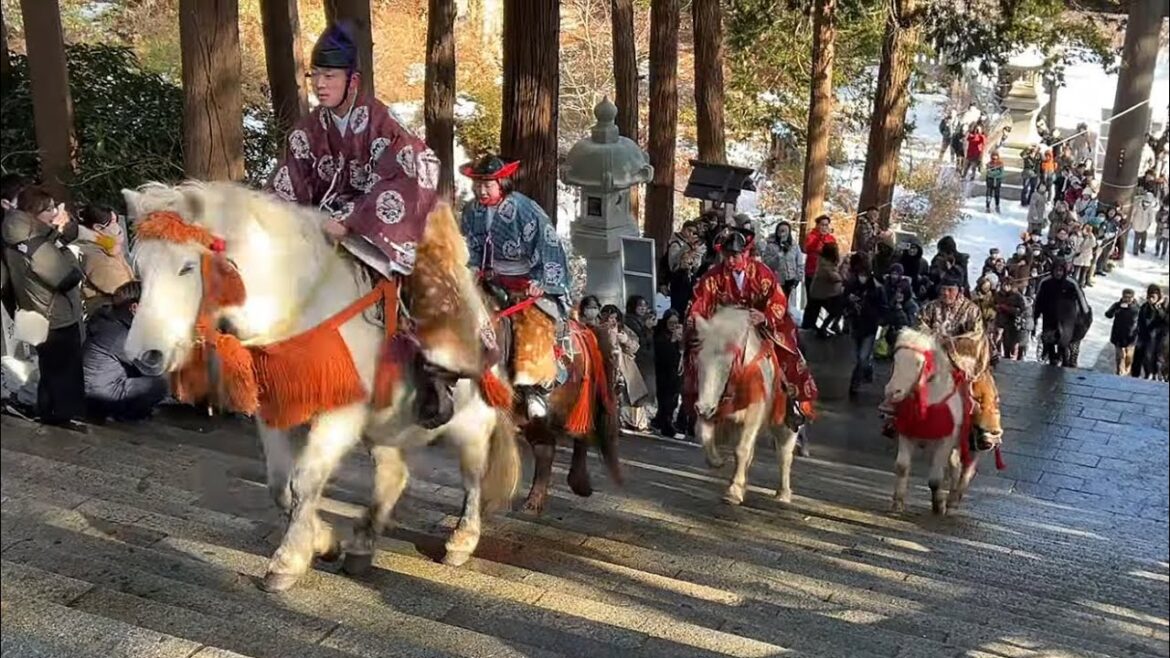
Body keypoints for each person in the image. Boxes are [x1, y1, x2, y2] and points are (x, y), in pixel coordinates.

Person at [268, 22, 472, 427]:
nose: (320, 85)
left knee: (428, 284)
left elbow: (411, 171)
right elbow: (288, 179)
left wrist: (353, 221)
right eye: (315, 76)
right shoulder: (309, 130)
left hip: (387, 222)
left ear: (352, 80)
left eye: (329, 76)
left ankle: (434, 374)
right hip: (323, 221)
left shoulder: (382, 123)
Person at [459, 154, 571, 419]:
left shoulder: (525, 209)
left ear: (503, 182)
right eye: (478, 184)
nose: (481, 189)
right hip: (488, 278)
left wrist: (541, 282)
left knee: (533, 326)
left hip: (525, 282)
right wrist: (472, 266)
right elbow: (470, 246)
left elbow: (548, 244)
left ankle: (534, 389)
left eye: (488, 184)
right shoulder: (470, 210)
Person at [685, 230, 819, 428]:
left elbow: (778, 298)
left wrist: (765, 316)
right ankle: (697, 402)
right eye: (727, 255)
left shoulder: (762, 273)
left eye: (735, 255)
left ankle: (792, 403)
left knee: (786, 351)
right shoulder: (713, 276)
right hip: (724, 326)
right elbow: (700, 300)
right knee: (697, 353)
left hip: (759, 322)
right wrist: (696, 319)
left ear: (746, 253)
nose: (731, 260)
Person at [1, 185, 87, 431]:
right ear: (34, 211)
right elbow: (67, 277)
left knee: (49, 369)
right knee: (64, 371)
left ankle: (48, 413)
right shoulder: (35, 244)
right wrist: (61, 246)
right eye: (49, 209)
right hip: (54, 316)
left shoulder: (13, 239)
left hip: (33, 312)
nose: (54, 213)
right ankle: (63, 419)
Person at [915, 272, 998, 449]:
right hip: (934, 355)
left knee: (984, 387)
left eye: (950, 290)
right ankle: (897, 417)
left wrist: (952, 344)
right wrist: (935, 339)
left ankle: (985, 429)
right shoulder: (930, 308)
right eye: (943, 289)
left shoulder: (971, 310)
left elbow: (975, 335)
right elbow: (919, 325)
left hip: (964, 360)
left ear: (959, 291)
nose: (946, 293)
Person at [82, 281, 169, 420]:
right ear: (134, 308)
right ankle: (125, 414)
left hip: (93, 387)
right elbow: (154, 366)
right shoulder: (119, 335)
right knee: (160, 384)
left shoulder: (110, 317)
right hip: (99, 396)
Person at [75, 204, 135, 316]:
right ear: (98, 227)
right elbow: (122, 289)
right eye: (112, 222)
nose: (117, 226)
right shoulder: (94, 255)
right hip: (109, 314)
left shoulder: (107, 247)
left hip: (116, 310)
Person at [1033, 261, 1091, 368]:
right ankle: (1051, 361)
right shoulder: (1045, 283)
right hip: (1049, 316)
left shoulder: (1071, 283)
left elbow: (1081, 299)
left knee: (1064, 341)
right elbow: (1038, 300)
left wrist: (1086, 315)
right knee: (1049, 339)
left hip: (1067, 317)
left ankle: (1065, 361)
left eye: (1061, 271)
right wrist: (1035, 316)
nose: (1058, 273)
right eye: (1056, 271)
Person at [843, 254, 885, 396]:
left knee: (862, 357)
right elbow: (843, 299)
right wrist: (849, 301)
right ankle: (867, 369)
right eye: (860, 274)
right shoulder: (852, 285)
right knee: (858, 357)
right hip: (855, 325)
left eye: (864, 275)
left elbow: (882, 306)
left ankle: (855, 383)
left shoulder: (876, 288)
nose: (862, 277)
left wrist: (878, 319)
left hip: (870, 327)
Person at [651, 309, 684, 438]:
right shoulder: (660, 336)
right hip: (663, 374)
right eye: (671, 322)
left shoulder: (678, 335)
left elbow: (681, 353)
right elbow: (663, 355)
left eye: (676, 323)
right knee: (665, 401)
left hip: (675, 374)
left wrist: (680, 340)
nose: (673, 326)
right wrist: (673, 341)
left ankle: (661, 422)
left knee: (673, 401)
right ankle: (666, 427)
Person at [801, 214, 836, 329]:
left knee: (820, 300)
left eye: (826, 225)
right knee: (812, 300)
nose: (824, 227)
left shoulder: (831, 238)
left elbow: (833, 254)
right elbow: (808, 248)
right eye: (822, 225)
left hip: (824, 275)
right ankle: (807, 324)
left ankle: (816, 323)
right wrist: (820, 239)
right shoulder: (812, 236)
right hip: (812, 273)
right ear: (817, 225)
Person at [809, 242, 845, 337]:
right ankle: (823, 328)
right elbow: (833, 277)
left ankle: (827, 327)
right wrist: (841, 277)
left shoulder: (826, 261)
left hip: (824, 292)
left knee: (835, 311)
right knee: (835, 311)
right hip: (822, 294)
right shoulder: (824, 264)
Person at [1132, 284, 1167, 379]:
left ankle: (1153, 374)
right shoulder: (1144, 306)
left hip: (1157, 338)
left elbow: (1165, 319)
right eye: (1149, 296)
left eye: (1153, 297)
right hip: (1143, 336)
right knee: (1138, 357)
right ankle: (1136, 376)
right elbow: (1141, 320)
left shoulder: (1163, 307)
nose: (1151, 299)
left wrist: (1157, 307)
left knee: (1153, 358)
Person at [760, 220, 802, 297]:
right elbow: (766, 263)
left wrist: (798, 278)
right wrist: (779, 255)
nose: (783, 233)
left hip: (790, 279)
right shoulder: (770, 246)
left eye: (785, 231)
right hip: (777, 280)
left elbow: (799, 263)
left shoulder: (794, 246)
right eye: (781, 231)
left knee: (789, 304)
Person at [1105, 289, 1141, 376]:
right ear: (1122, 296)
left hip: (1131, 336)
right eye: (1125, 297)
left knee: (1129, 356)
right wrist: (1116, 310)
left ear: (1133, 298)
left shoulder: (1137, 308)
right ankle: (1119, 371)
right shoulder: (1117, 305)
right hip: (1118, 335)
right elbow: (1108, 314)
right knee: (1120, 356)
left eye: (1129, 297)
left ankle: (1127, 369)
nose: (1127, 299)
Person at [995, 278, 1029, 360]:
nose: (1005, 287)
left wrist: (1006, 308)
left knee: (1012, 345)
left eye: (1007, 285)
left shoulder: (1017, 296)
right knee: (1004, 344)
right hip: (1001, 323)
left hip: (1013, 324)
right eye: (1003, 285)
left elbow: (1021, 310)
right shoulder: (999, 295)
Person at [1131, 190, 1158, 256]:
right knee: (1136, 239)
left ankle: (1142, 247)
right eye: (1146, 202)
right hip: (1137, 224)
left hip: (1144, 225)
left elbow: (1151, 216)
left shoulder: (1149, 208)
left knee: (1144, 238)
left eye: (1148, 202)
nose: (1147, 204)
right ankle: (1135, 251)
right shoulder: (1137, 205)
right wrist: (1131, 221)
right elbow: (1132, 214)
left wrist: (1150, 223)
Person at [1071, 223, 1097, 287]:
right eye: (1085, 228)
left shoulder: (1090, 237)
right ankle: (1073, 284)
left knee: (1084, 272)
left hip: (1086, 257)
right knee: (1076, 271)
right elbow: (1076, 245)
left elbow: (1093, 244)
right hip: (1078, 256)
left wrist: (1091, 236)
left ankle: (1081, 284)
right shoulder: (1076, 236)